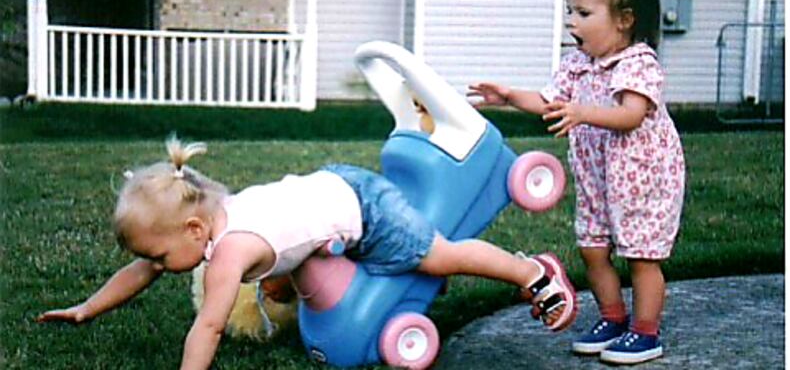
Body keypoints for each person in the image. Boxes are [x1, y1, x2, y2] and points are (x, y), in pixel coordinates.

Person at [37, 134, 577, 369]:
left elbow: (207, 328)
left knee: (439, 255)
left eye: (158, 256)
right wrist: (87, 308)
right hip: (329, 189)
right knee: (293, 270)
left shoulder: (227, 253)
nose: (155, 267)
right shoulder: (204, 224)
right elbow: (137, 272)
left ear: (195, 228)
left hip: (366, 211)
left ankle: (530, 272)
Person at [468, 0, 685, 365]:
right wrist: (511, 95)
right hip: (597, 179)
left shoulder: (638, 63)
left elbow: (631, 115)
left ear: (624, 20)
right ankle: (612, 317)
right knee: (592, 248)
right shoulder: (577, 63)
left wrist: (584, 112)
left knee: (641, 255)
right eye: (571, 12)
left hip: (643, 180)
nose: (572, 22)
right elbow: (551, 101)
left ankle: (645, 332)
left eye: (584, 14)